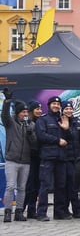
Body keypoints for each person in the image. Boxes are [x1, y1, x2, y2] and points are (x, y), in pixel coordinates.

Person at [2, 94, 35, 223]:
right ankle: (8, 211)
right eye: (23, 112)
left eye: (26, 112)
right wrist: (7, 101)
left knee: (22, 187)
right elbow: (4, 116)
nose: (25, 114)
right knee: (10, 186)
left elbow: (35, 144)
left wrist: (31, 134)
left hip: (25, 161)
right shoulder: (11, 123)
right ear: (17, 113)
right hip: (12, 159)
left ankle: (19, 211)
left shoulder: (31, 125)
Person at [34, 96, 67, 221]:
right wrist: (57, 140)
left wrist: (67, 128)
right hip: (47, 157)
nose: (56, 106)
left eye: (58, 104)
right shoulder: (43, 120)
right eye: (54, 104)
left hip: (61, 157)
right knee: (45, 185)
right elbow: (41, 136)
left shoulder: (63, 119)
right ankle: (41, 213)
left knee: (61, 185)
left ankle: (59, 212)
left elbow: (70, 138)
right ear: (49, 105)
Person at [23, 100, 43, 219]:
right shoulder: (26, 123)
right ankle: (21, 208)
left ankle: (31, 210)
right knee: (28, 185)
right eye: (37, 109)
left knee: (36, 185)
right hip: (28, 157)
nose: (39, 111)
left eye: (40, 109)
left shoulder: (41, 122)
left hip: (39, 157)